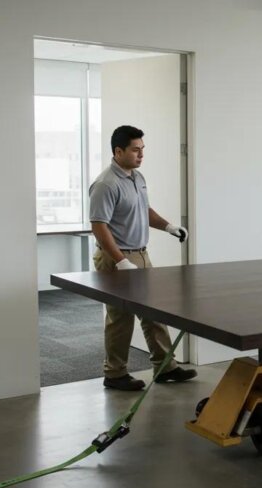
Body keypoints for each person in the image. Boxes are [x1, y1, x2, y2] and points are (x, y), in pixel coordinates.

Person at [88, 125, 197, 391]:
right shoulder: (105, 184)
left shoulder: (137, 177)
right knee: (120, 318)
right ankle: (114, 374)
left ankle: (165, 367)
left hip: (141, 255)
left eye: (142, 150)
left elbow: (144, 210)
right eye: (136, 150)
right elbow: (99, 226)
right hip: (117, 258)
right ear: (118, 151)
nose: (141, 155)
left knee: (154, 313)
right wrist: (120, 261)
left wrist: (169, 226)